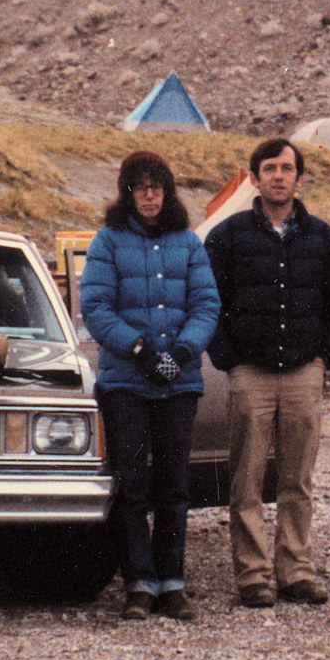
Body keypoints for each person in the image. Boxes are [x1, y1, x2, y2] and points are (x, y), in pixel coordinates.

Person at [204, 138, 330, 609]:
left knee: (297, 478)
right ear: (254, 178)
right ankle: (252, 576)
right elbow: (210, 302)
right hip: (250, 373)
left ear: (300, 178)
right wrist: (228, 356)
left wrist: (325, 354)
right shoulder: (228, 236)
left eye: (287, 168)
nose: (278, 176)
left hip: (303, 373)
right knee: (246, 477)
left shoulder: (322, 237)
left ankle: (296, 571)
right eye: (269, 168)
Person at [80, 151, 220, 621]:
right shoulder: (107, 241)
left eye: (157, 186)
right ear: (127, 192)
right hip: (127, 383)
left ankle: (173, 583)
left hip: (178, 384)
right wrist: (139, 351)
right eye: (140, 187)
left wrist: (181, 354)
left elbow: (205, 306)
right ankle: (139, 583)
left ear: (168, 191)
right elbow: (96, 308)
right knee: (132, 484)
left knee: (175, 486)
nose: (149, 195)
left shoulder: (189, 243)